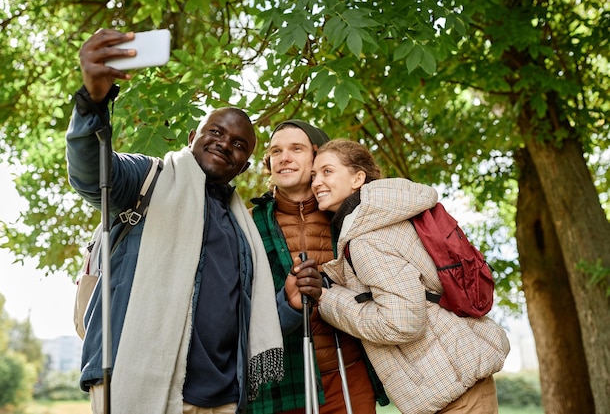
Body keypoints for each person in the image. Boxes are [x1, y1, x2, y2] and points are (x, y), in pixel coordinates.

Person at [66, 29, 322, 414]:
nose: (225, 144)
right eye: (215, 132)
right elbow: (91, 174)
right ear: (192, 137)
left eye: (239, 145)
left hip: (219, 398)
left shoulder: (242, 227)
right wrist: (93, 102)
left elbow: (245, 320)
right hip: (134, 381)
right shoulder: (147, 178)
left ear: (245, 164)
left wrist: (287, 304)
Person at [311, 139, 511, 414]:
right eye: (313, 175)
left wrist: (330, 301)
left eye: (327, 171)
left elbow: (402, 322)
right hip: (458, 374)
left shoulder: (366, 237)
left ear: (358, 178)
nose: (316, 182)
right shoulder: (388, 215)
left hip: (452, 390)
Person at [249, 122, 387, 414]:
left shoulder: (350, 216)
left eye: (296, 149)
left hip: (347, 372)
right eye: (276, 151)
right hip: (282, 381)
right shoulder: (247, 224)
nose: (284, 157)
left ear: (317, 158)